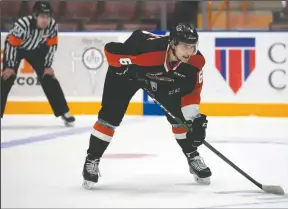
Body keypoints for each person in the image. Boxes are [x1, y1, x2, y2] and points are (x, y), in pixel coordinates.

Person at [82, 23, 211, 189]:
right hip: (126, 74)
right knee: (110, 117)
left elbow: (191, 93)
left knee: (178, 117)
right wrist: (122, 69)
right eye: (185, 46)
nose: (189, 52)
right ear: (172, 44)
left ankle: (192, 156)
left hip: (160, 77)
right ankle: (92, 158)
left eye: (193, 47)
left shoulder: (195, 62)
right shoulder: (148, 51)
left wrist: (195, 120)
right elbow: (110, 50)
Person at [1, 1, 75, 126]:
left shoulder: (52, 25)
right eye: (42, 16)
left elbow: (52, 46)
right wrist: (9, 67)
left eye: (47, 16)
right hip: (17, 49)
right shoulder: (23, 24)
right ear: (35, 16)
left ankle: (64, 112)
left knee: (49, 78)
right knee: (7, 78)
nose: (45, 20)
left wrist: (47, 66)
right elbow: (11, 45)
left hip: (36, 50)